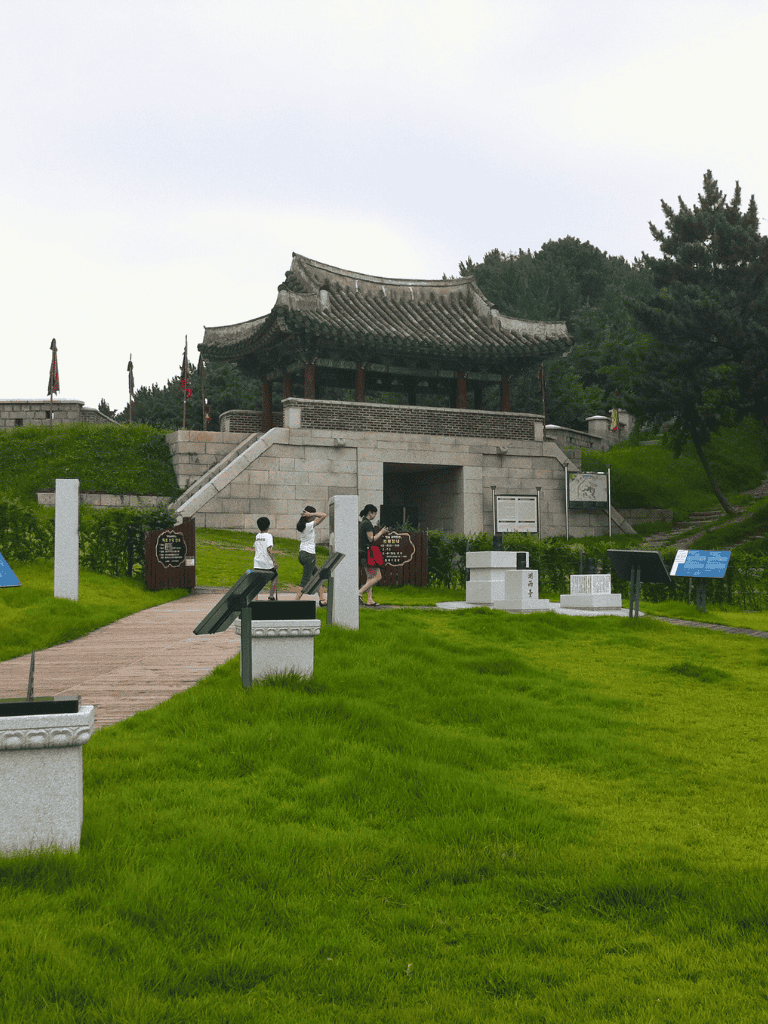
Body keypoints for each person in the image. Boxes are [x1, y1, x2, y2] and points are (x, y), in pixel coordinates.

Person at [358, 504, 390, 606]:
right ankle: (359, 592)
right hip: (368, 553)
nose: (375, 515)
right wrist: (381, 532)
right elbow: (371, 539)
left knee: (370, 577)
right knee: (377, 576)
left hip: (362, 553)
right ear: (370, 512)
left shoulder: (362, 523)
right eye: (374, 513)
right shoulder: (367, 524)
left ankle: (370, 599)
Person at [295, 505, 327, 605]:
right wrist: (311, 514)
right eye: (312, 515)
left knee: (317, 575)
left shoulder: (303, 525)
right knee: (305, 580)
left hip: (302, 554)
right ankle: (293, 603)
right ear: (309, 516)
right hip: (309, 555)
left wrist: (310, 514)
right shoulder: (309, 525)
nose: (314, 517)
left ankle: (322, 599)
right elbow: (324, 515)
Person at [252, 516, 278, 600]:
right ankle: (271, 596)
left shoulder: (257, 536)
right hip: (266, 562)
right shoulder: (269, 536)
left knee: (257, 581)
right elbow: (269, 549)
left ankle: (255, 598)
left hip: (257, 562)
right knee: (274, 577)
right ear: (268, 526)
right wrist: (274, 561)